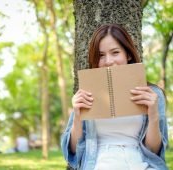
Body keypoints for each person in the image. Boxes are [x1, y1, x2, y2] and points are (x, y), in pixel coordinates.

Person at [61, 24, 168, 170]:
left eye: (115, 52)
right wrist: (77, 116)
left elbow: (154, 152)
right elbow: (74, 152)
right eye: (101, 55)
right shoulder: (87, 92)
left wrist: (153, 114)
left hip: (140, 164)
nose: (108, 61)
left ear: (128, 54)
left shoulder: (152, 94)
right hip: (98, 164)